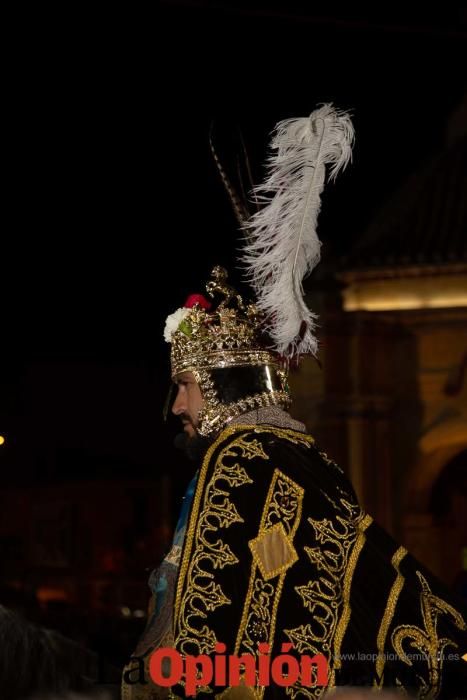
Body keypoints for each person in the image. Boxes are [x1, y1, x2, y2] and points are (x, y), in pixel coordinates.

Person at [122, 106, 467, 698]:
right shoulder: (300, 455)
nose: (178, 408)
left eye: (186, 386)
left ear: (226, 385)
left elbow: (207, 650)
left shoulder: (239, 463)